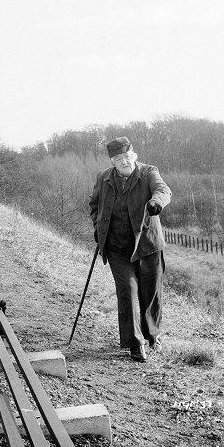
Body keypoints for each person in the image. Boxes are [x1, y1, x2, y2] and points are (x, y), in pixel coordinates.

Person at [89, 137, 172, 362]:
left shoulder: (148, 172)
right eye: (118, 159)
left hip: (147, 244)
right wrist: (98, 225)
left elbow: (163, 189)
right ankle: (135, 344)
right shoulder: (103, 178)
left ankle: (151, 334)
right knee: (127, 291)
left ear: (133, 155)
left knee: (150, 292)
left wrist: (157, 202)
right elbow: (94, 204)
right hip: (117, 246)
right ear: (112, 161)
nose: (124, 162)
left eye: (127, 157)